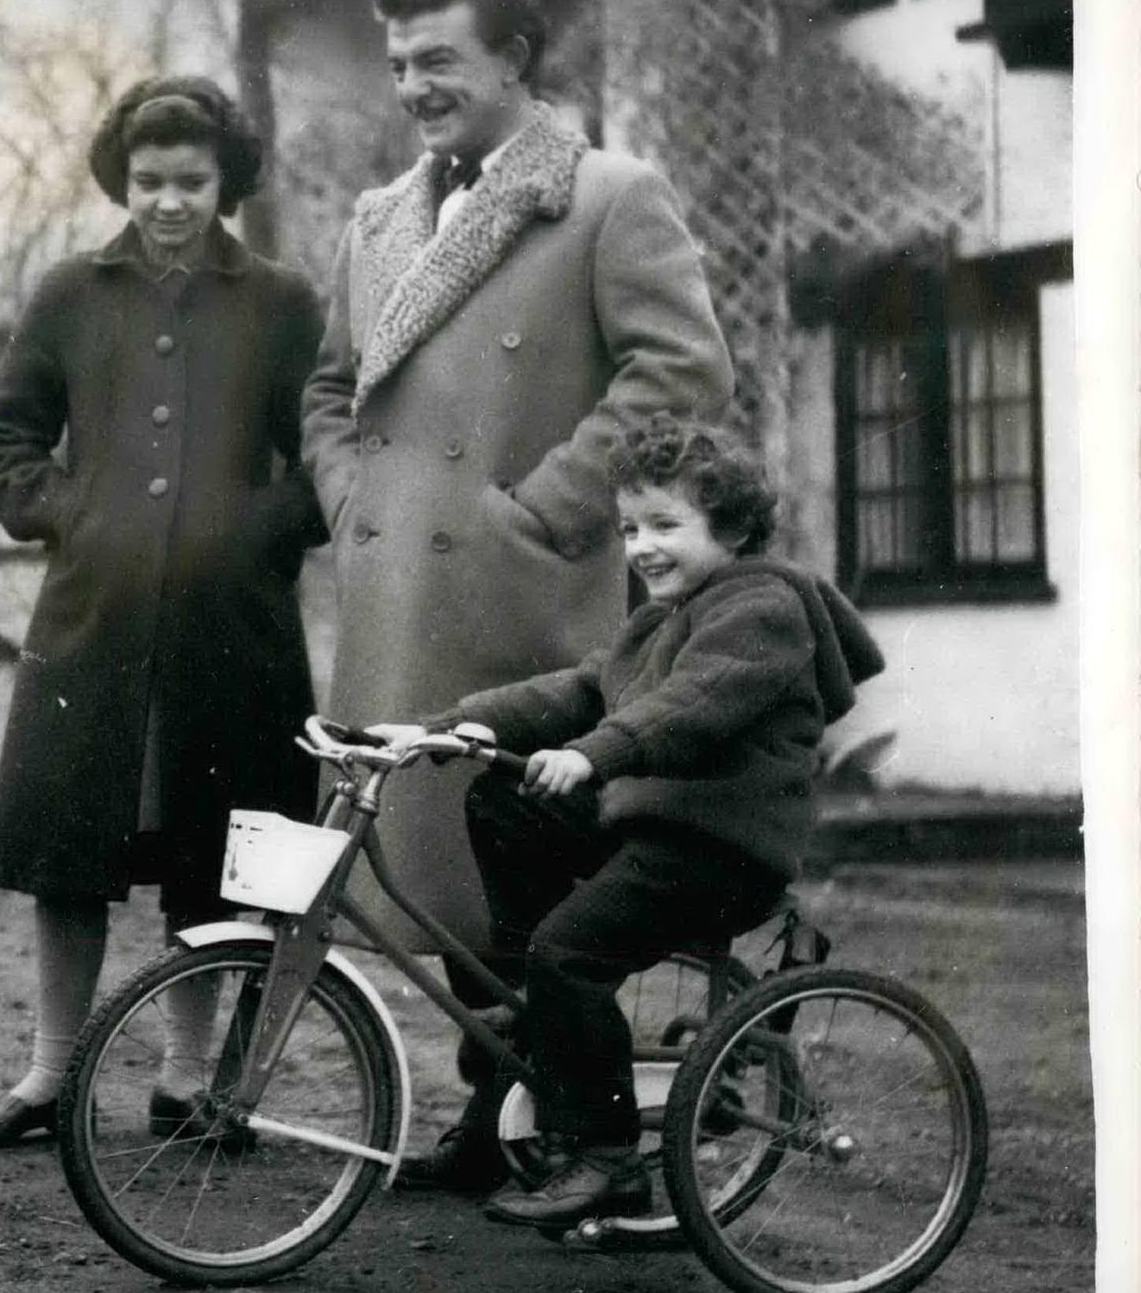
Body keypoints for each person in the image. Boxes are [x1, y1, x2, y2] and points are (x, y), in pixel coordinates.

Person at [297, 0, 735, 1193]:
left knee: (515, 868)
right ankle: (494, 1114)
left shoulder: (604, 195)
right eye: (397, 67)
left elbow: (683, 374)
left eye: (437, 61)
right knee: (426, 877)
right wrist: (349, 497)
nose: (411, 88)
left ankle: (536, 1118)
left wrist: (540, 510)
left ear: (513, 62)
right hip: (398, 593)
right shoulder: (378, 217)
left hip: (520, 602)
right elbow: (331, 392)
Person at [363, 414, 884, 1227]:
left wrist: (599, 754)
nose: (642, 548)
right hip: (658, 830)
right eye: (631, 529)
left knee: (568, 952)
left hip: (721, 850)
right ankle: (529, 1016)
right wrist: (449, 726)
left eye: (666, 526)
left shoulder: (762, 607)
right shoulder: (661, 616)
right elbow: (579, 688)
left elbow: (695, 703)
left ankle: (608, 1157)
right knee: (501, 803)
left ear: (736, 527)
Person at [0, 77, 326, 1148]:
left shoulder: (282, 302)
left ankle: (186, 1081)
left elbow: (326, 458)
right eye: (150, 181)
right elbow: (3, 443)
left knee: (214, 858)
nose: (168, 202)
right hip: (93, 624)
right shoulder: (72, 292)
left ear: (227, 184)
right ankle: (49, 1077)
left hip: (233, 634)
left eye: (192, 183)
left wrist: (254, 531)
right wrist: (76, 516)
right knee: (68, 852)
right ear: (124, 180)